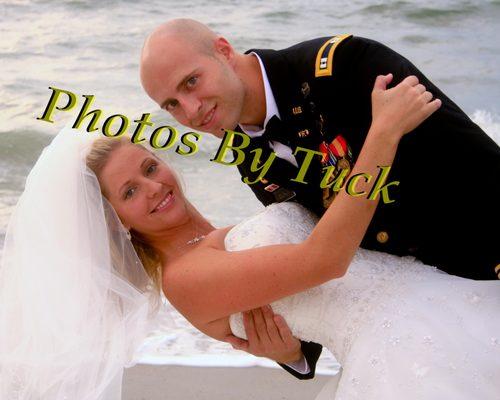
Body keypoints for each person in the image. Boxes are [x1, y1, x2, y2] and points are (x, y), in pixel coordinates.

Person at [139, 18, 500, 379]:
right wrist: (295, 351)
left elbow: (475, 164)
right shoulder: (243, 151)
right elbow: (312, 231)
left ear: (223, 50)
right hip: (423, 316)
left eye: (191, 81)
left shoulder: (347, 66)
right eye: (172, 104)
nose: (191, 110)